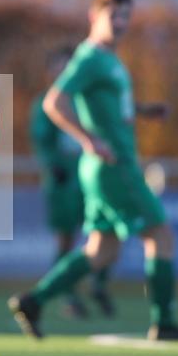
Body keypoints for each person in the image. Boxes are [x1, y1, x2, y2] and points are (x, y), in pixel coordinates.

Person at [9, 0, 178, 341]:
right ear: (94, 16)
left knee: (101, 250)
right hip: (114, 165)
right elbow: (55, 102)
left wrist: (143, 110)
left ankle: (33, 301)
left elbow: (110, 107)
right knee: (161, 235)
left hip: (102, 167)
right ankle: (164, 322)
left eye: (126, 16)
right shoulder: (89, 57)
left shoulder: (109, 59)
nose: (120, 22)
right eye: (113, 15)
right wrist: (89, 139)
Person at [29, 46, 114, 319]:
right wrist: (53, 165)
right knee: (66, 239)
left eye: (69, 66)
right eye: (59, 66)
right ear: (50, 71)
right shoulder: (46, 103)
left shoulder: (85, 100)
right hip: (63, 181)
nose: (64, 71)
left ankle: (98, 284)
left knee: (105, 232)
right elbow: (43, 142)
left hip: (91, 176)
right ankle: (68, 294)